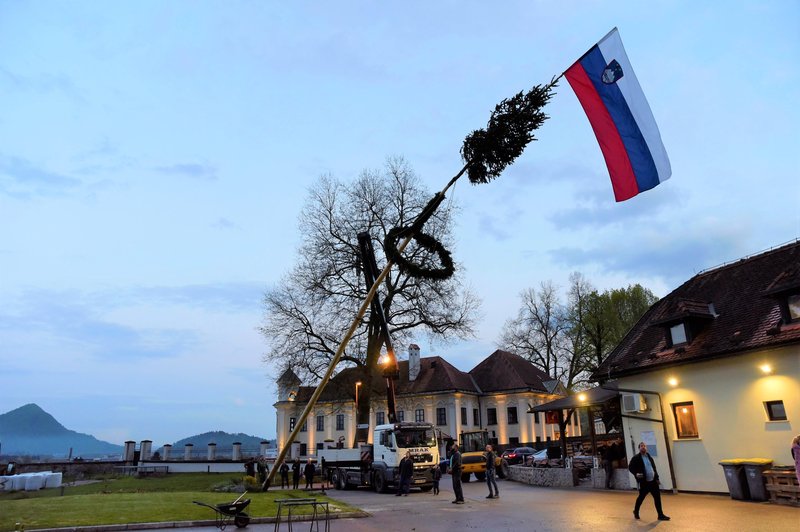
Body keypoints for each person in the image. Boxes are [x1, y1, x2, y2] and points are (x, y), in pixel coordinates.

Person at [628, 442, 670, 521]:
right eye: (641, 446)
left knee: (657, 498)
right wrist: (636, 473)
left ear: (646, 448)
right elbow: (630, 467)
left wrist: (657, 478)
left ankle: (660, 515)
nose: (643, 447)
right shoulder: (636, 458)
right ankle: (636, 511)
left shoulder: (649, 457)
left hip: (653, 481)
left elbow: (653, 468)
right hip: (644, 482)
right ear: (639, 448)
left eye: (644, 446)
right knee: (641, 498)